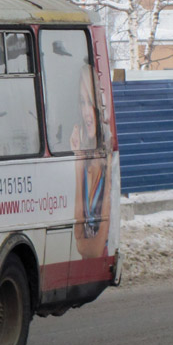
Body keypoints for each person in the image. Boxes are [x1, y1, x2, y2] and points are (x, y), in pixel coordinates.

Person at [70, 68, 111, 258]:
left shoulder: (108, 162)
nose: (86, 112)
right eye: (81, 102)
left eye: (90, 102)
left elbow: (94, 248)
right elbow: (77, 232)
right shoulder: (84, 161)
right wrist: (78, 158)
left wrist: (85, 244)